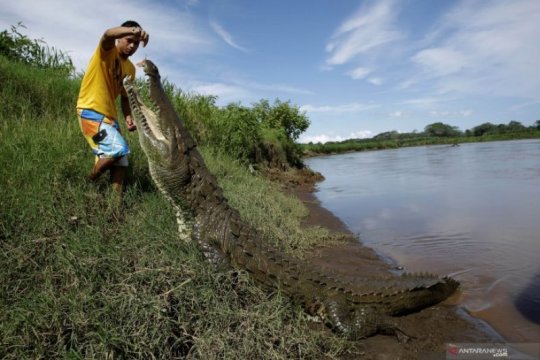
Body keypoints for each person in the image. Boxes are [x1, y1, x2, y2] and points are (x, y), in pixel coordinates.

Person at [76, 21, 149, 196]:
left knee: (121, 163)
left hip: (110, 117)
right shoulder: (106, 51)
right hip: (90, 110)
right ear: (119, 38)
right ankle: (87, 183)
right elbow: (108, 34)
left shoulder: (130, 69)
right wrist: (134, 30)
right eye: (129, 40)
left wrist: (128, 118)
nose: (132, 46)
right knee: (117, 150)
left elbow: (125, 97)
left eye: (136, 43)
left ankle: (114, 208)